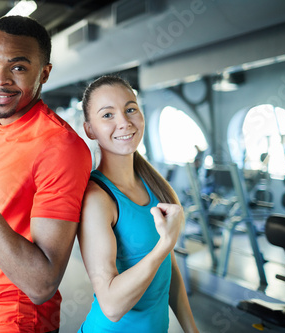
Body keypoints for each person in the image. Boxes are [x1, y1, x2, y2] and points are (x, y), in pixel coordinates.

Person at [0, 16, 92, 333]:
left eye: (18, 67)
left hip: (19, 323)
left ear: (45, 73)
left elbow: (41, 285)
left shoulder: (61, 147)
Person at [77, 75, 199, 332]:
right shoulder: (97, 198)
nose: (124, 122)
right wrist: (165, 243)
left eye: (130, 109)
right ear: (90, 129)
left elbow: (168, 266)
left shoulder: (154, 184)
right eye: (108, 115)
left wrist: (192, 329)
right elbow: (111, 306)